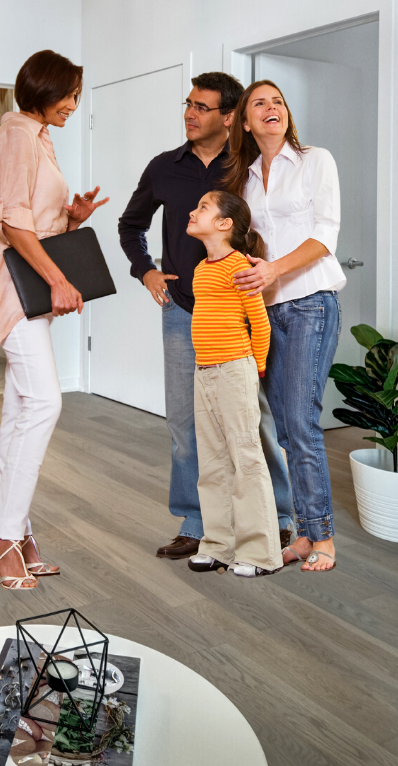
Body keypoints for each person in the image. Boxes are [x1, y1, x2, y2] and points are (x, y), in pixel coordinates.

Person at [119, 73, 293, 560]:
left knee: (252, 417)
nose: (190, 114)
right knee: (183, 421)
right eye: (188, 104)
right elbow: (130, 224)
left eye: (202, 107)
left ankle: (278, 517)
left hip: (236, 310)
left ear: (229, 116)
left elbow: (267, 228)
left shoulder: (249, 166)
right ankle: (196, 522)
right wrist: (146, 272)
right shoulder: (163, 167)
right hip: (181, 311)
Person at [0, 50, 109, 590]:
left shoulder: (38, 137)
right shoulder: (18, 136)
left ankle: (19, 535)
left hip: (30, 290)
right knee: (46, 402)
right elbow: (11, 223)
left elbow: (33, 217)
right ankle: (4, 538)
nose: (75, 104)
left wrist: (70, 218)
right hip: (20, 288)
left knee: (20, 410)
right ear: (45, 89)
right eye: (70, 94)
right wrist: (56, 279)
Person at [224, 80, 346, 573]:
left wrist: (274, 270)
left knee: (300, 422)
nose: (271, 108)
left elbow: (325, 235)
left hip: (311, 304)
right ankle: (301, 532)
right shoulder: (246, 179)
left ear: (286, 114)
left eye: (277, 101)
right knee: (282, 429)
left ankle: (324, 539)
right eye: (260, 104)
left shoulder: (316, 160)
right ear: (246, 122)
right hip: (267, 312)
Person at [185, 190, 282, 578]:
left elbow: (259, 323)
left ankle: (260, 554)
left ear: (224, 225)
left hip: (234, 370)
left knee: (245, 458)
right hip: (204, 370)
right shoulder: (201, 269)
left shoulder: (238, 266)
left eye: (202, 207)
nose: (193, 211)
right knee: (211, 461)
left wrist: (255, 369)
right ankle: (218, 545)